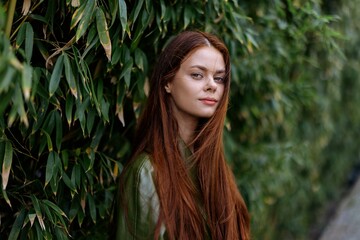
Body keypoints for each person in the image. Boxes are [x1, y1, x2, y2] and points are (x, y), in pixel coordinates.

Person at [115, 30, 250, 240]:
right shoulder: (146, 174)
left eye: (219, 78)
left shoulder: (212, 166)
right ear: (167, 82)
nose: (212, 85)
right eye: (197, 74)